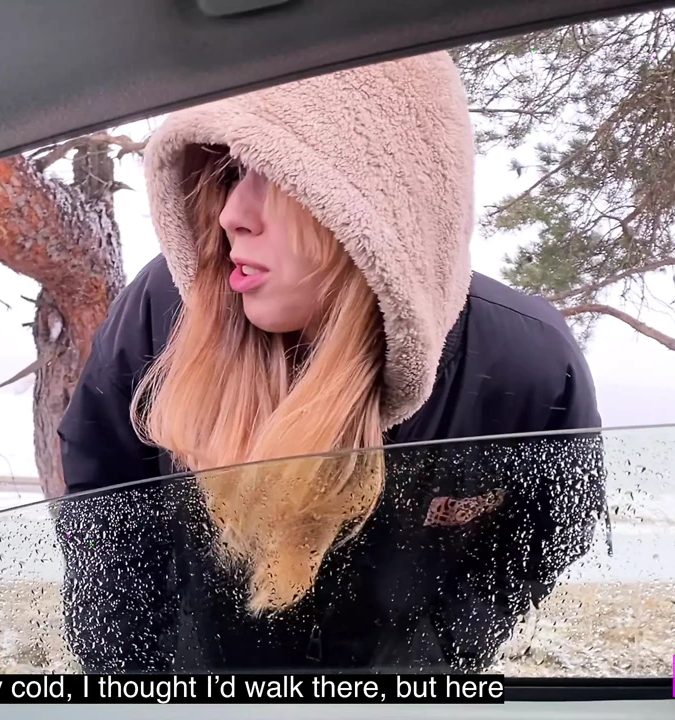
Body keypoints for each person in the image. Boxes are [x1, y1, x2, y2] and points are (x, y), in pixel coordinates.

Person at [55, 51, 607, 673]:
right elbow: (101, 493)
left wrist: (438, 656)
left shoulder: (525, 361)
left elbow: (547, 535)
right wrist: (134, 679)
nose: (234, 213)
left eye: (276, 172)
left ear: (380, 195)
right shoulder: (170, 306)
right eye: (231, 171)